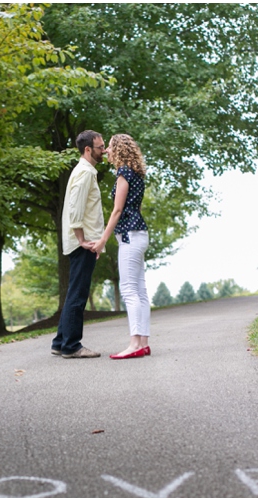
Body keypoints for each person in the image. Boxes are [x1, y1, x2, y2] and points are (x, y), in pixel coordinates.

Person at [93, 133, 151, 359]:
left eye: (109, 147)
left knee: (129, 290)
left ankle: (135, 344)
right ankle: (143, 342)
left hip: (129, 236)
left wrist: (102, 241)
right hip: (139, 233)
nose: (106, 150)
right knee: (140, 291)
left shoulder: (124, 174)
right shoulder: (135, 172)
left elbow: (117, 211)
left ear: (118, 150)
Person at [50, 130, 106, 359]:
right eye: (101, 147)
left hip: (84, 242)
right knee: (78, 294)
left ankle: (60, 341)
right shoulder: (84, 173)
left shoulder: (85, 171)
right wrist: (83, 240)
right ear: (88, 149)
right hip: (83, 244)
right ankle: (72, 346)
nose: (104, 150)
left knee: (73, 291)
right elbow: (75, 209)